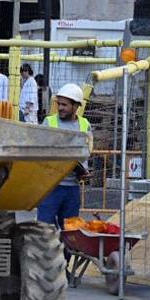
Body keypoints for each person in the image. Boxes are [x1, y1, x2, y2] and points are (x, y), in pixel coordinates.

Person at [37, 83, 92, 229]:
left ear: (76, 106)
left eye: (64, 105)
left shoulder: (85, 125)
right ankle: (46, 253)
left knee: (70, 232)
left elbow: (86, 152)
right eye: (59, 104)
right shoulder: (49, 122)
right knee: (44, 230)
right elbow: (39, 152)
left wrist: (84, 171)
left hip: (72, 189)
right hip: (50, 187)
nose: (60, 108)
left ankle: (67, 253)